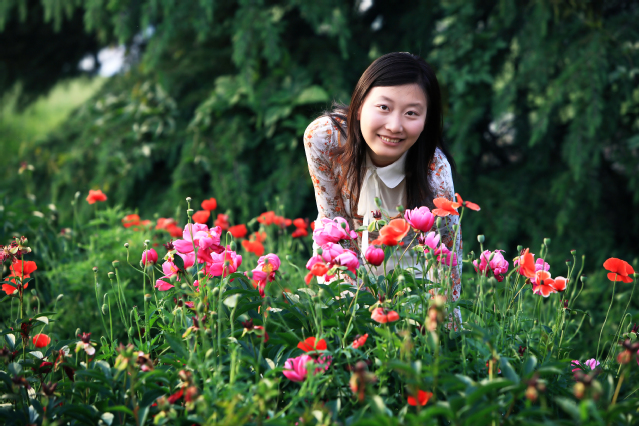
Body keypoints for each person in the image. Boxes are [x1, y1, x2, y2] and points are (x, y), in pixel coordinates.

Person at [303, 52, 462, 327]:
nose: (394, 126)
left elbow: (447, 259)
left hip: (412, 285)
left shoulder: (435, 175)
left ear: (427, 120)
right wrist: (355, 310)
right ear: (359, 104)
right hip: (345, 270)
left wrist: (445, 331)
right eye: (384, 107)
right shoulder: (325, 139)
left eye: (411, 113)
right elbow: (334, 224)